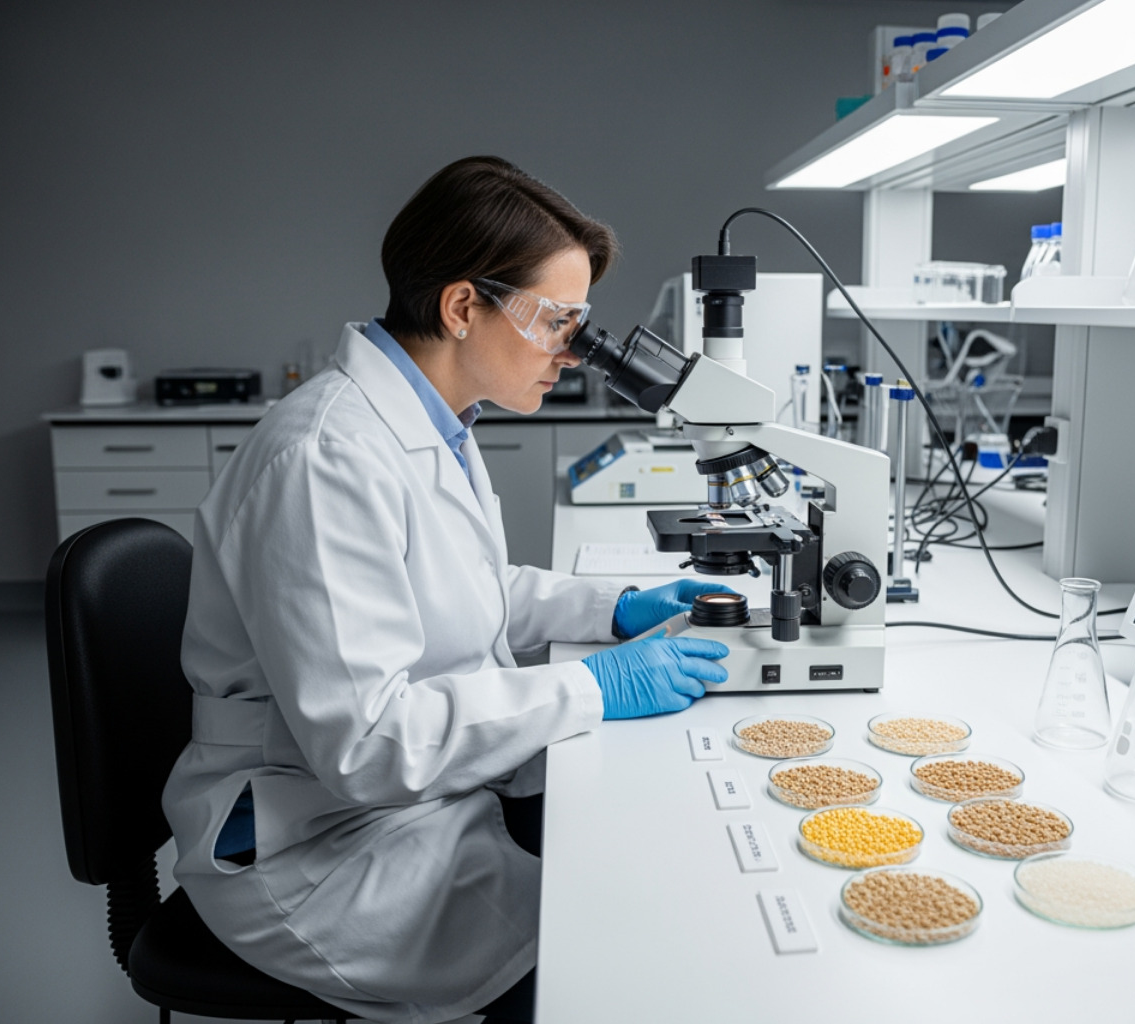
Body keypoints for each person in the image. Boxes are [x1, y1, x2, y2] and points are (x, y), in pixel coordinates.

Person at [162, 156, 733, 1024]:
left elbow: (466, 588)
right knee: (601, 957)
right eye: (556, 321)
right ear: (464, 307)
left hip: (411, 801)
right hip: (317, 842)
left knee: (629, 875)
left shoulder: (435, 422)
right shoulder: (325, 457)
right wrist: (590, 685)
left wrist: (608, 608)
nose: (574, 351)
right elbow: (368, 745)